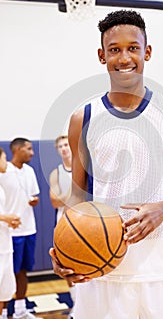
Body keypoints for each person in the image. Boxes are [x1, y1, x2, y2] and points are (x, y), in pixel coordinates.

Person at [50, 10, 163, 318]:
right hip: (102, 269)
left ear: (147, 52)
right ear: (102, 56)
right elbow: (77, 194)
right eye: (114, 49)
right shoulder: (82, 118)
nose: (124, 57)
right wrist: (65, 247)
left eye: (133, 47)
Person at [0, 138, 42, 319]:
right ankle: (3, 312)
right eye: (28, 149)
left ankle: (20, 310)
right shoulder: (3, 172)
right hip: (8, 232)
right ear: (16, 149)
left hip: (27, 228)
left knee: (23, 270)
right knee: (7, 273)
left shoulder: (30, 171)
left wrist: (33, 201)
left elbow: (35, 196)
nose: (32, 153)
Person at [49, 135, 76, 319]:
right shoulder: (56, 173)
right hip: (64, 222)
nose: (64, 148)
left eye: (66, 144)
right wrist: (75, 191)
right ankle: (75, 304)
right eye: (60, 146)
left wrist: (67, 196)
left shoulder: (83, 167)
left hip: (86, 221)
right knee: (68, 265)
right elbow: (54, 201)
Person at [0, 147, 21, 319]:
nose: (6, 162)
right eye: (3, 158)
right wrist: (6, 218)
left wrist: (9, 220)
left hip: (4, 243)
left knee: (4, 291)